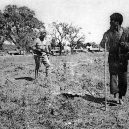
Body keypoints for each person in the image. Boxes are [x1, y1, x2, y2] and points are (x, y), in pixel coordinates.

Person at [100, 13, 129, 104]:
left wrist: (126, 45)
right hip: (113, 59)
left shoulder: (126, 32)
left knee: (123, 80)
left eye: (112, 20)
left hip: (123, 59)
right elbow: (102, 44)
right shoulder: (108, 33)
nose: (110, 22)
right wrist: (104, 41)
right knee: (113, 77)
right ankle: (115, 94)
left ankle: (121, 96)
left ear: (117, 22)